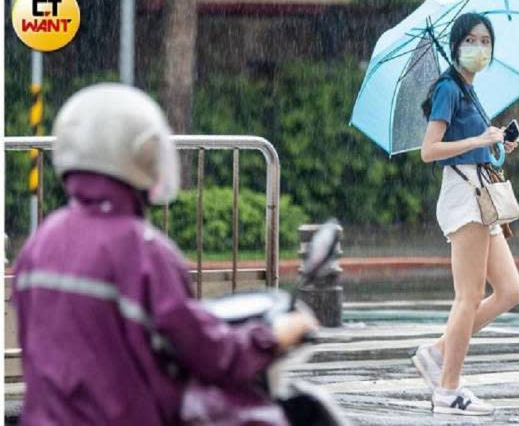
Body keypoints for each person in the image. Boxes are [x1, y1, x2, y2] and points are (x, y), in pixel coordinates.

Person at [10, 83, 318, 425]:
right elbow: (206, 353)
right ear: (138, 155)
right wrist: (271, 338)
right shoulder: (142, 251)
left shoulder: (41, 242)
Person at [415, 12, 519, 416]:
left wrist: (497, 144)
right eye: (472, 40)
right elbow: (430, 151)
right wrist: (479, 137)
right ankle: (448, 390)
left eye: (486, 42)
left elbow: (473, 146)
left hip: (482, 191)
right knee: (469, 296)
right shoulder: (448, 88)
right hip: (464, 196)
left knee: (510, 291)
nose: (480, 48)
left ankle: (440, 350)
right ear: (457, 44)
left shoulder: (468, 89)